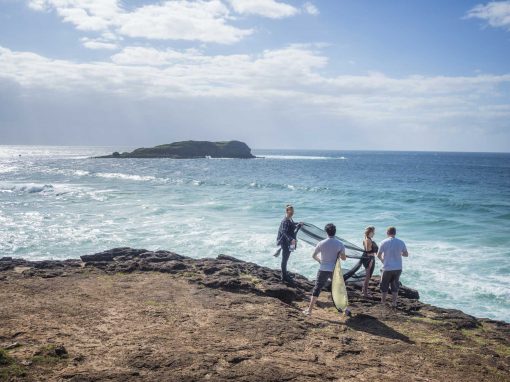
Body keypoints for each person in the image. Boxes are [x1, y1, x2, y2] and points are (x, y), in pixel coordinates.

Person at [303, 223, 350, 317]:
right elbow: (343, 258)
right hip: (334, 270)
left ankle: (309, 311)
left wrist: (320, 261)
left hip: (323, 269)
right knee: (340, 288)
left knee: (317, 288)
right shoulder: (340, 244)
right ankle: (346, 309)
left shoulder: (321, 243)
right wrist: (342, 255)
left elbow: (313, 256)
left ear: (326, 232)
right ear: (335, 232)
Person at [376, 226, 409, 309]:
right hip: (398, 267)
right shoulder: (401, 242)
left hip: (387, 267)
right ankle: (394, 303)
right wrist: (399, 253)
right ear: (395, 233)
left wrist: (383, 261)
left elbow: (378, 255)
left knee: (384, 286)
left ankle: (383, 302)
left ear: (387, 233)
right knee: (395, 285)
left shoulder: (383, 242)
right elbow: (406, 254)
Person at [275, 205, 303, 282]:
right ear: (287, 211)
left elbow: (292, 226)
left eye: (293, 211)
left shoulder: (290, 219)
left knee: (286, 258)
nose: (293, 212)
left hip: (288, 242)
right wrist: (291, 239)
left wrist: (298, 224)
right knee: (284, 259)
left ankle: (285, 273)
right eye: (291, 211)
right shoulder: (285, 221)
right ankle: (284, 276)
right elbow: (283, 232)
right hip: (285, 242)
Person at [362, 226, 378, 298]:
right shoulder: (368, 240)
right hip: (369, 258)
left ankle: (364, 290)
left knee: (368, 276)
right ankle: (365, 293)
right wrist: (371, 260)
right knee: (368, 276)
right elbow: (368, 251)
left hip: (368, 258)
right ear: (370, 232)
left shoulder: (367, 239)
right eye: (373, 232)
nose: (374, 233)